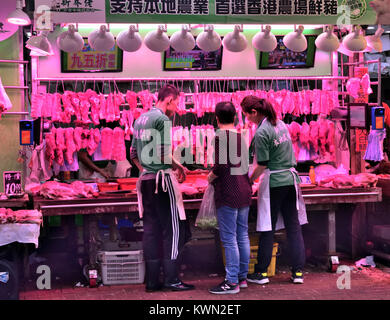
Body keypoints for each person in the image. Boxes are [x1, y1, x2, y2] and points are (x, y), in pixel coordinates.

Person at [130, 84, 195, 292]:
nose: (176, 108)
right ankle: (172, 279)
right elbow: (163, 155)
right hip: (162, 181)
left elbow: (132, 153)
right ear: (169, 100)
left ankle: (151, 282)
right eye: (176, 103)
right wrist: (179, 166)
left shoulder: (140, 119)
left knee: (150, 231)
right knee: (173, 230)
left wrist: (144, 170)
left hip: (146, 181)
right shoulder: (162, 120)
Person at [241, 95, 307, 285]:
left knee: (267, 227)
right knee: (293, 227)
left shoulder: (262, 132)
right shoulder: (280, 124)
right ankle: (298, 272)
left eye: (247, 115)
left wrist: (249, 181)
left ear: (254, 112)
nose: (247, 119)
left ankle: (261, 273)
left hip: (275, 182)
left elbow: (261, 165)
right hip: (290, 181)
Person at [208, 102, 252, 294]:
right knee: (242, 235)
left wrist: (210, 177)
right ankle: (242, 278)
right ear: (235, 117)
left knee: (229, 239)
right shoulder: (240, 135)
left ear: (216, 118)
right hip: (244, 189)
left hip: (228, 191)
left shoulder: (220, 137)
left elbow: (221, 166)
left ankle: (231, 282)